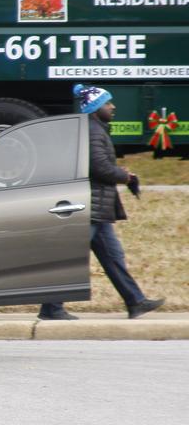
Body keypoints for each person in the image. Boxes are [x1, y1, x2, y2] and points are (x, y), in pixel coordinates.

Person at [38, 84, 164, 321]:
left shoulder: (95, 129)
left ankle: (135, 301)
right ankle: (51, 307)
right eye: (108, 103)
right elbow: (99, 167)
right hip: (90, 207)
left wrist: (119, 172)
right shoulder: (93, 131)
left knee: (113, 257)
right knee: (71, 259)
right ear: (95, 108)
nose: (113, 107)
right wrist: (125, 176)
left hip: (97, 208)